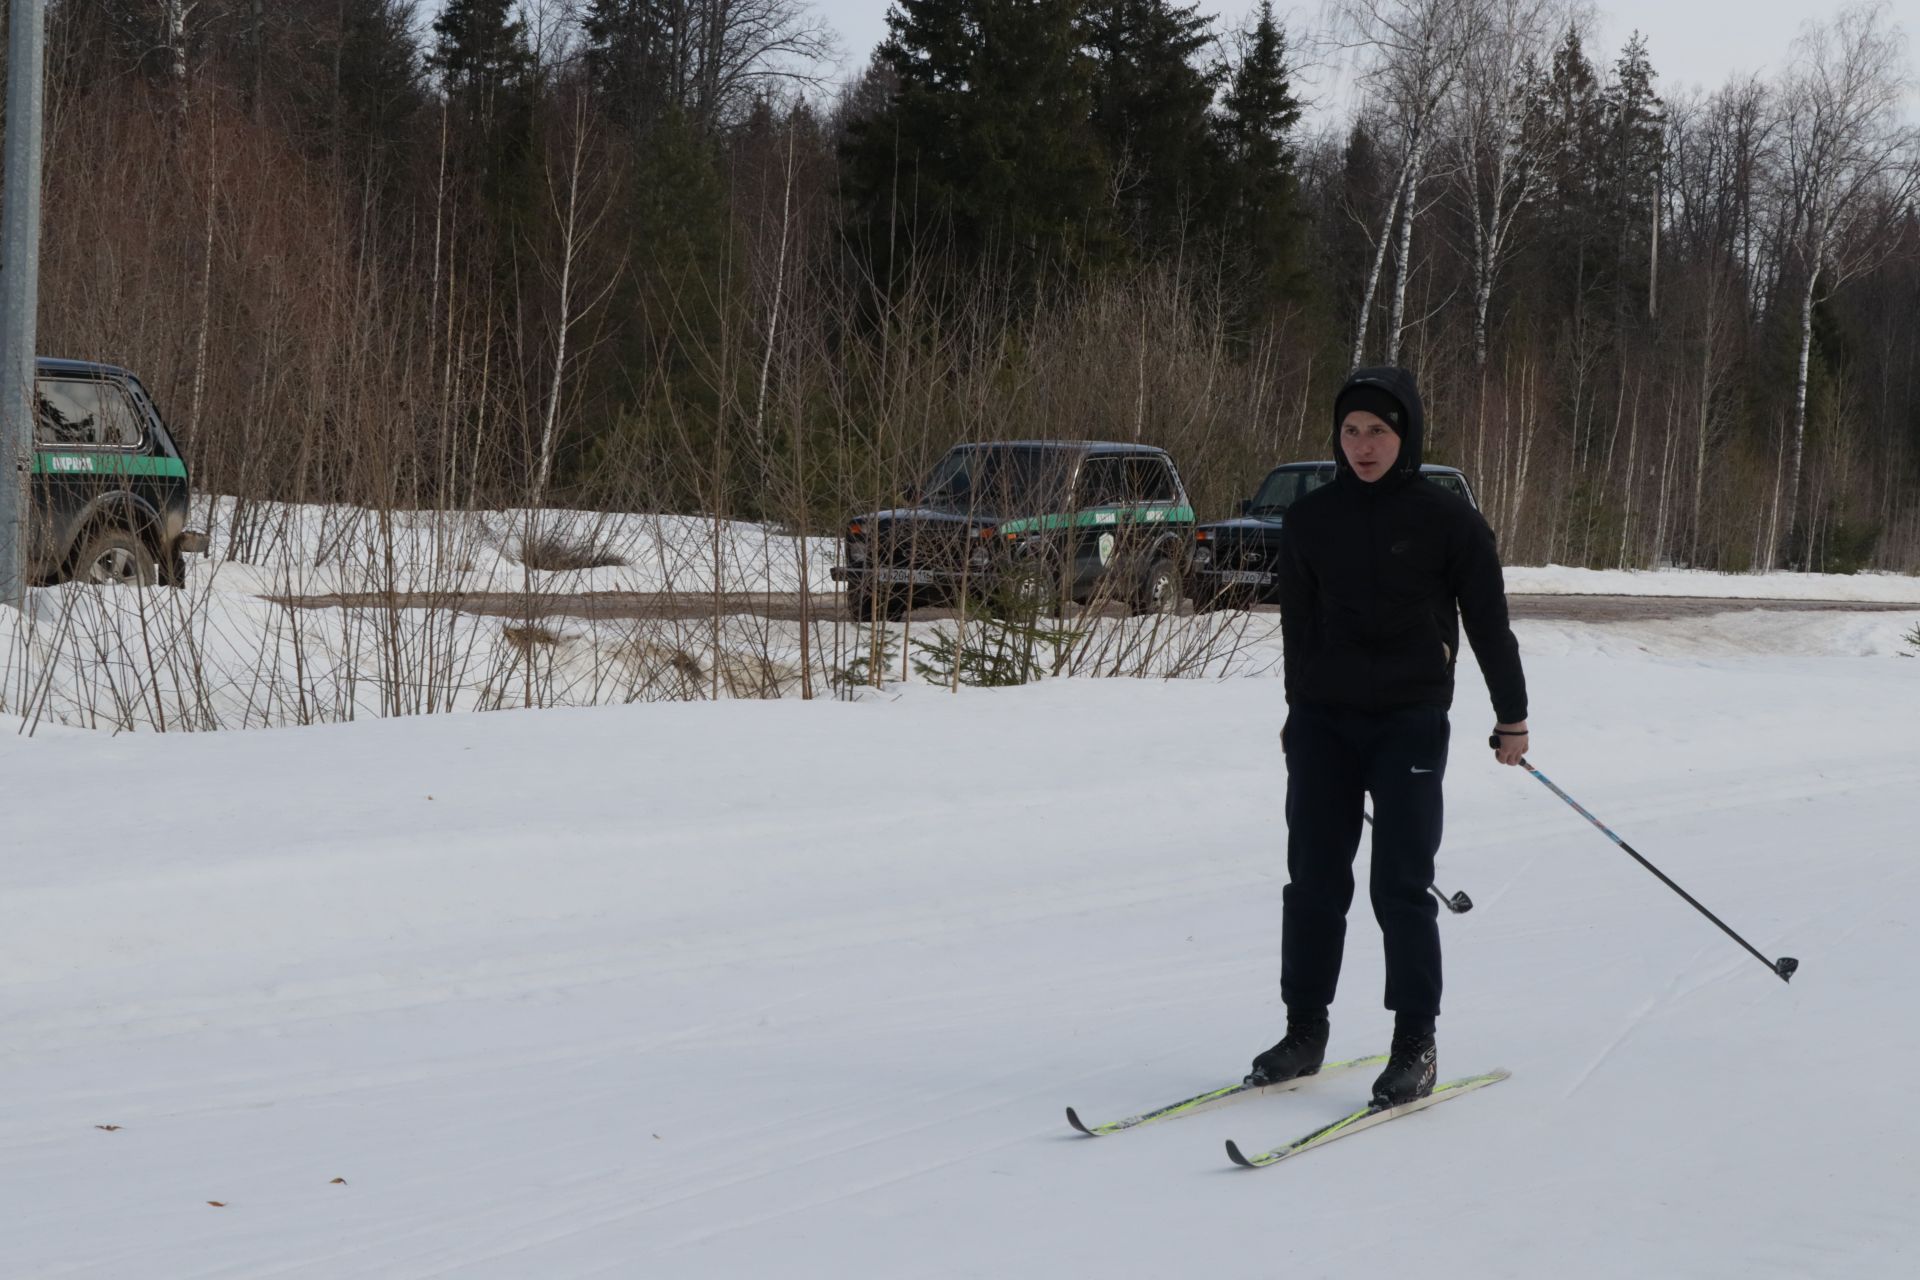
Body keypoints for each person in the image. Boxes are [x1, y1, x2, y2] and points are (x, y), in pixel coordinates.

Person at [1247, 365, 1530, 1108]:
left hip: (1408, 720)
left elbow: (1489, 625)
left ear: (1405, 434)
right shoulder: (1310, 521)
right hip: (1323, 723)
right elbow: (1297, 632)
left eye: (1377, 430)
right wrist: (1295, 716)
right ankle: (1304, 1030)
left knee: (1399, 886)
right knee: (1313, 881)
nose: (1362, 445)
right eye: (1350, 431)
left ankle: (1415, 1043)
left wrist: (1513, 717)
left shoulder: (1449, 521)